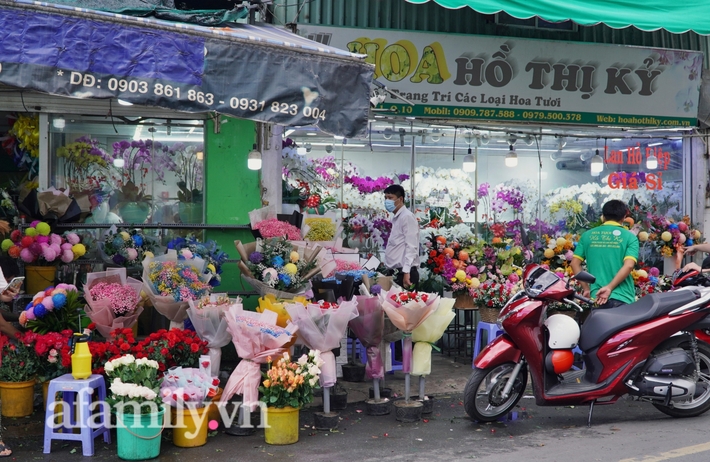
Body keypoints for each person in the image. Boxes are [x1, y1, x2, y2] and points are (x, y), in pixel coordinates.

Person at [571, 200, 639, 308]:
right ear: (624, 217)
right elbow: (629, 265)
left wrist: (586, 288)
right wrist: (609, 287)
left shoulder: (587, 236)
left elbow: (574, 264)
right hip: (623, 297)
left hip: (597, 296)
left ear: (603, 216)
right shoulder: (630, 237)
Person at [383, 185, 420, 289]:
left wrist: (406, 272)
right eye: (385, 198)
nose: (387, 201)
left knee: (406, 305)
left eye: (390, 198)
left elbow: (411, 246)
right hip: (396, 273)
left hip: (404, 274)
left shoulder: (407, 217)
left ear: (400, 199)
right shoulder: (396, 218)